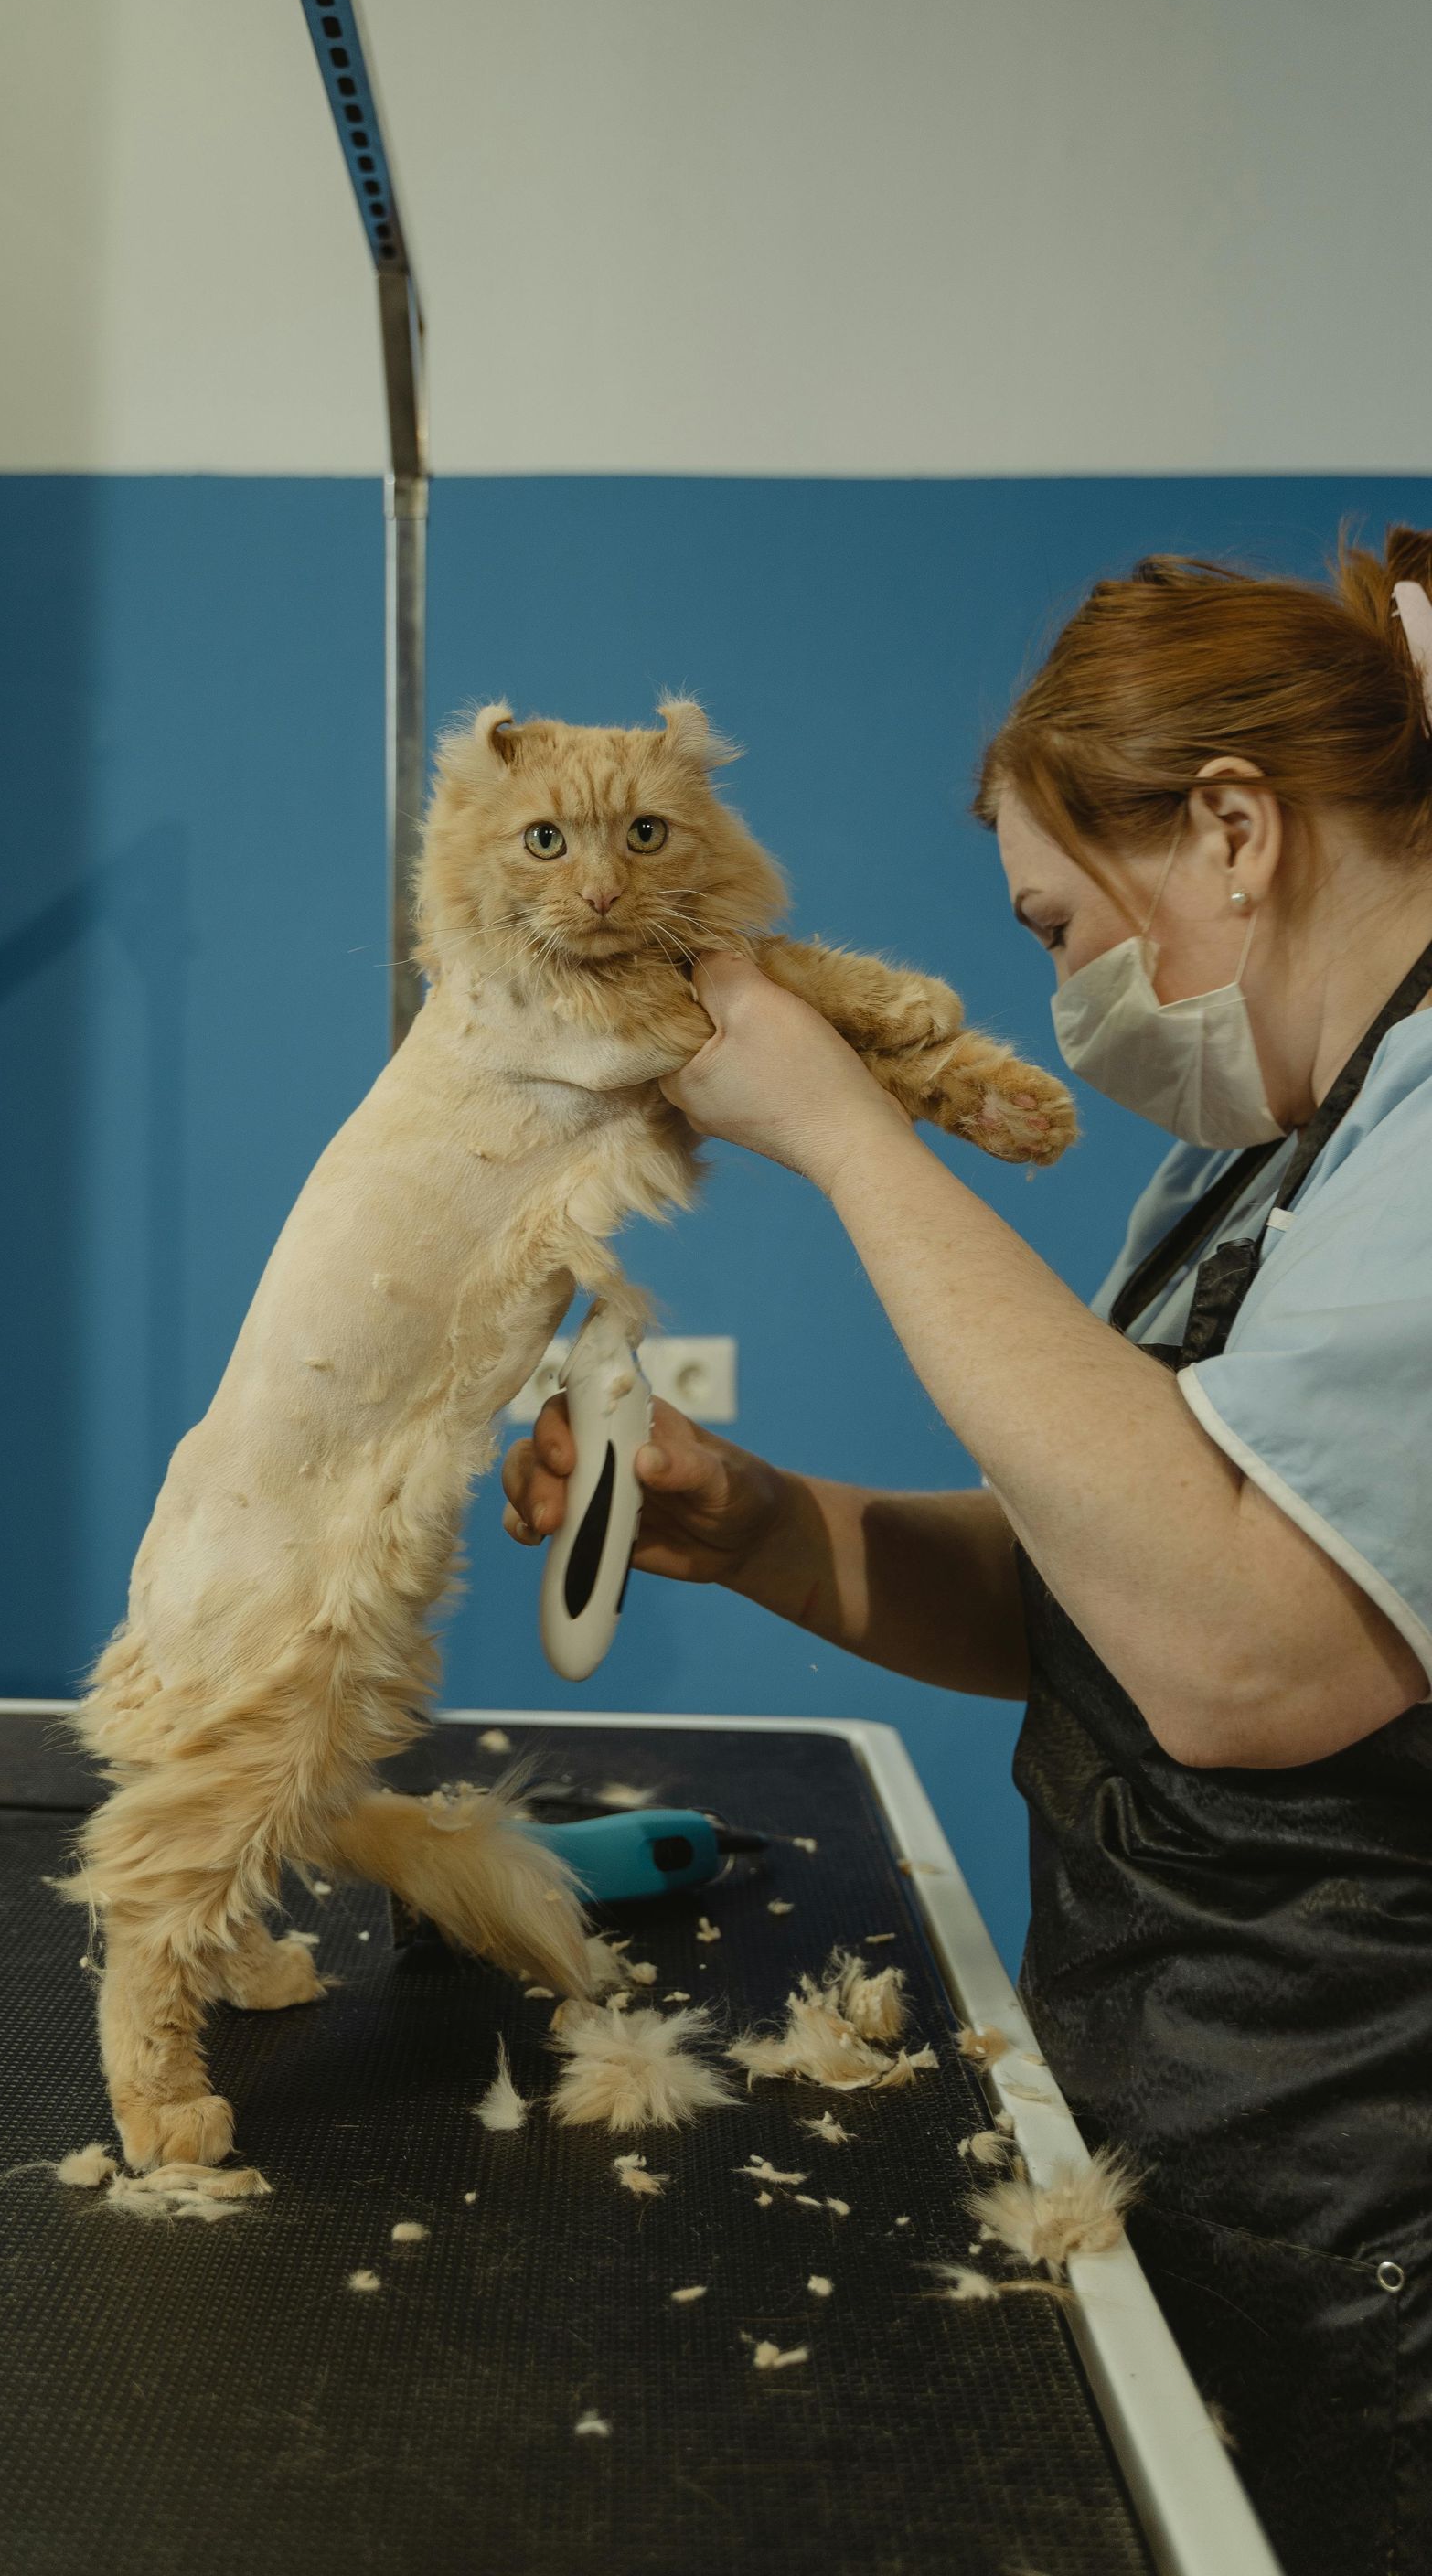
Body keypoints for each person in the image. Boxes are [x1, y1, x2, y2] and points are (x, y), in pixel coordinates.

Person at [502, 529, 1432, 2576]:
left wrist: (849, 1136)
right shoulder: (1257, 1161)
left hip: (1394, 2237)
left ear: (1234, 830)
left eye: (1059, 927)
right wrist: (764, 1532)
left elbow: (1256, 1658)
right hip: (1210, 2152)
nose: (1065, 1001)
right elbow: (1108, 1584)